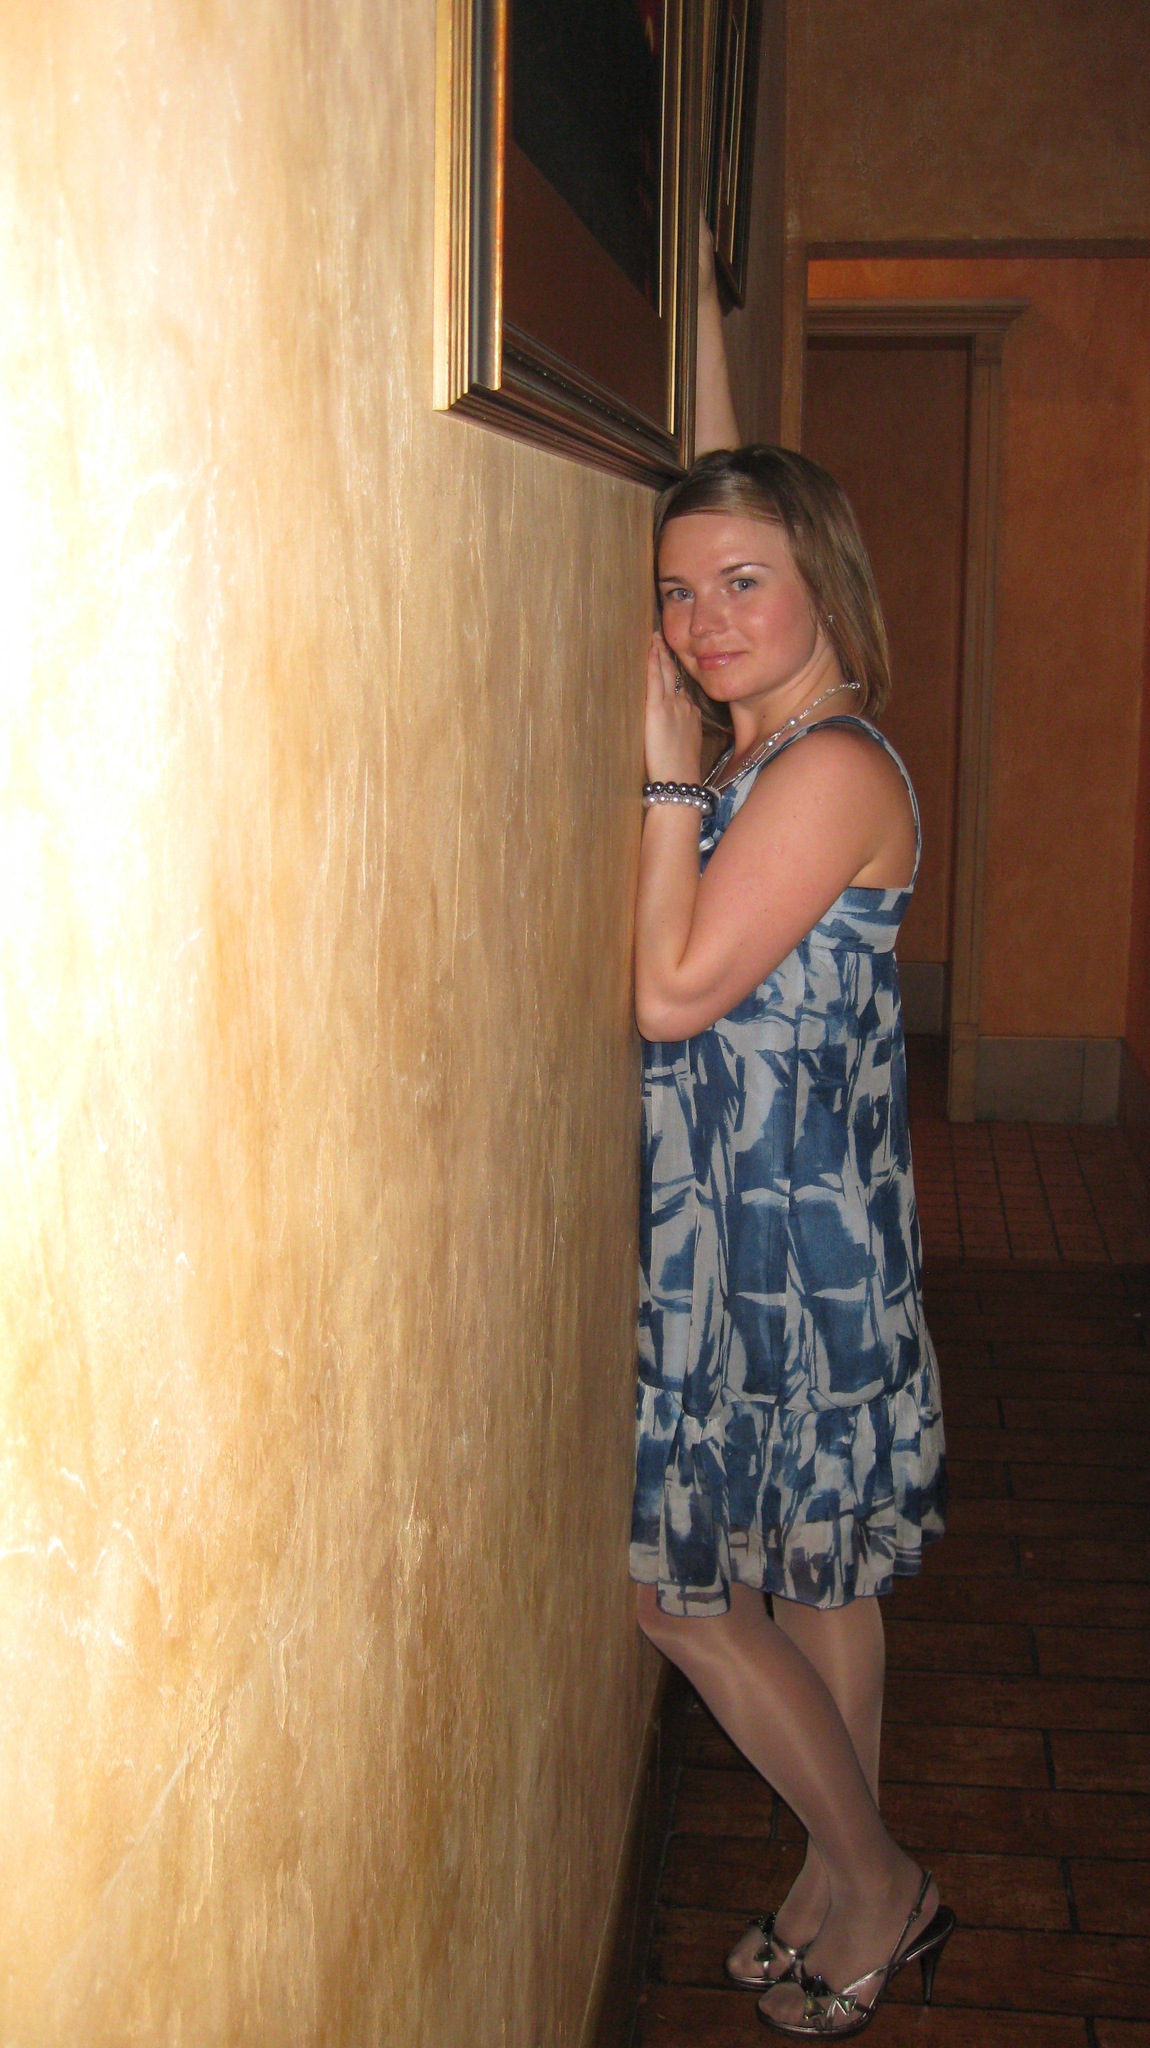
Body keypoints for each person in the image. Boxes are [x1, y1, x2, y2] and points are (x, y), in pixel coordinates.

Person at [627, 237, 953, 2039]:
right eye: (677, 592)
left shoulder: (819, 767)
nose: (703, 619)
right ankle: (843, 1879)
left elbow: (674, 990)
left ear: (825, 579)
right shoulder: (776, 758)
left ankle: (874, 1876)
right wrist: (688, 283)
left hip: (786, 1250)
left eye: (742, 580)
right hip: (770, 1233)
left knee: (680, 1598)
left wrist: (662, 762)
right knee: (808, 1581)